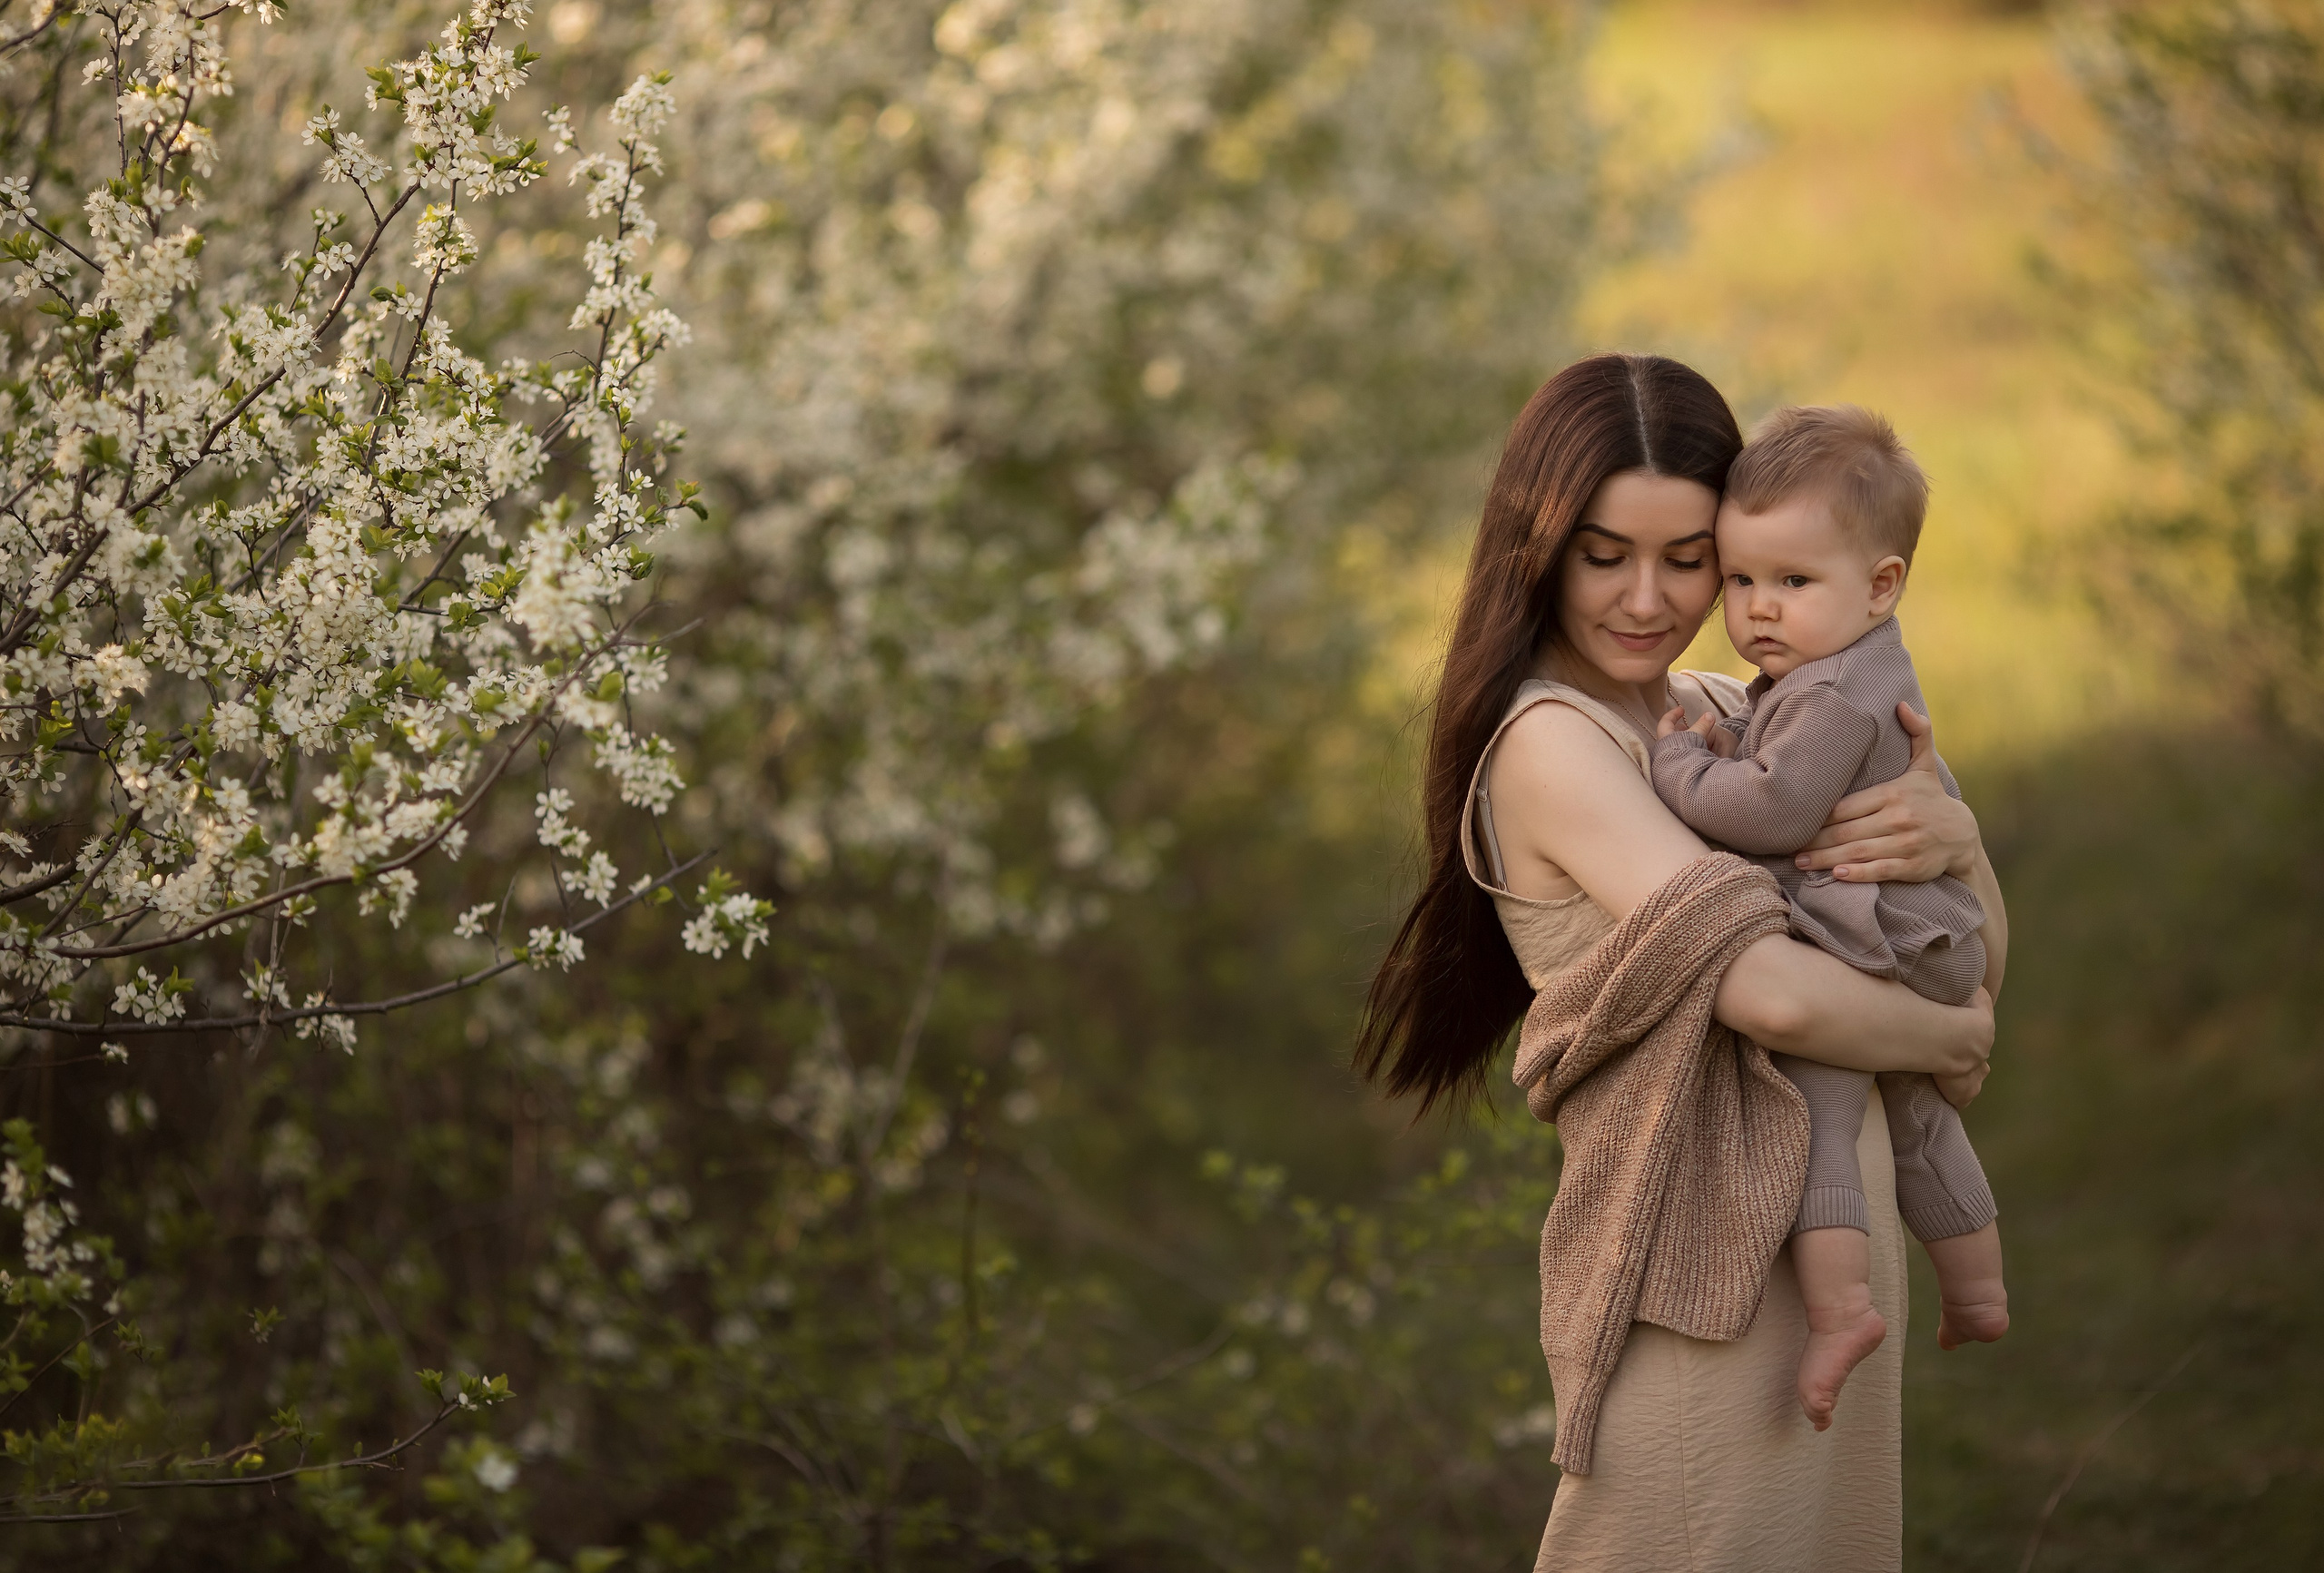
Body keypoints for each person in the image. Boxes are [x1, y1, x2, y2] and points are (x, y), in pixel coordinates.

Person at [1358, 353, 2004, 1570]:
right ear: (1537, 547)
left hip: (1832, 1247)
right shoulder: (1555, 745)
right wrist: (1951, 1039)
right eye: (1605, 553)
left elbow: (1967, 943)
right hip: (1705, 1268)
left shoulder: (1725, 712)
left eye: (1687, 555)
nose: (1646, 598)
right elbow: (1767, 988)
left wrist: (1954, 838)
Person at [1649, 404, 2009, 1437]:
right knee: (1924, 1118)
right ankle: (1979, 1291)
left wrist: (1679, 760)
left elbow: (1770, 807)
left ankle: (1840, 1312)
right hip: (1929, 940)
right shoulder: (1835, 669)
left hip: (1872, 950)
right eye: (1740, 579)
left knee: (1816, 1119)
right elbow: (1772, 741)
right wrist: (1730, 731)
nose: (1757, 609)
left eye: (1791, 582)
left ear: (1881, 583)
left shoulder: (1838, 694)